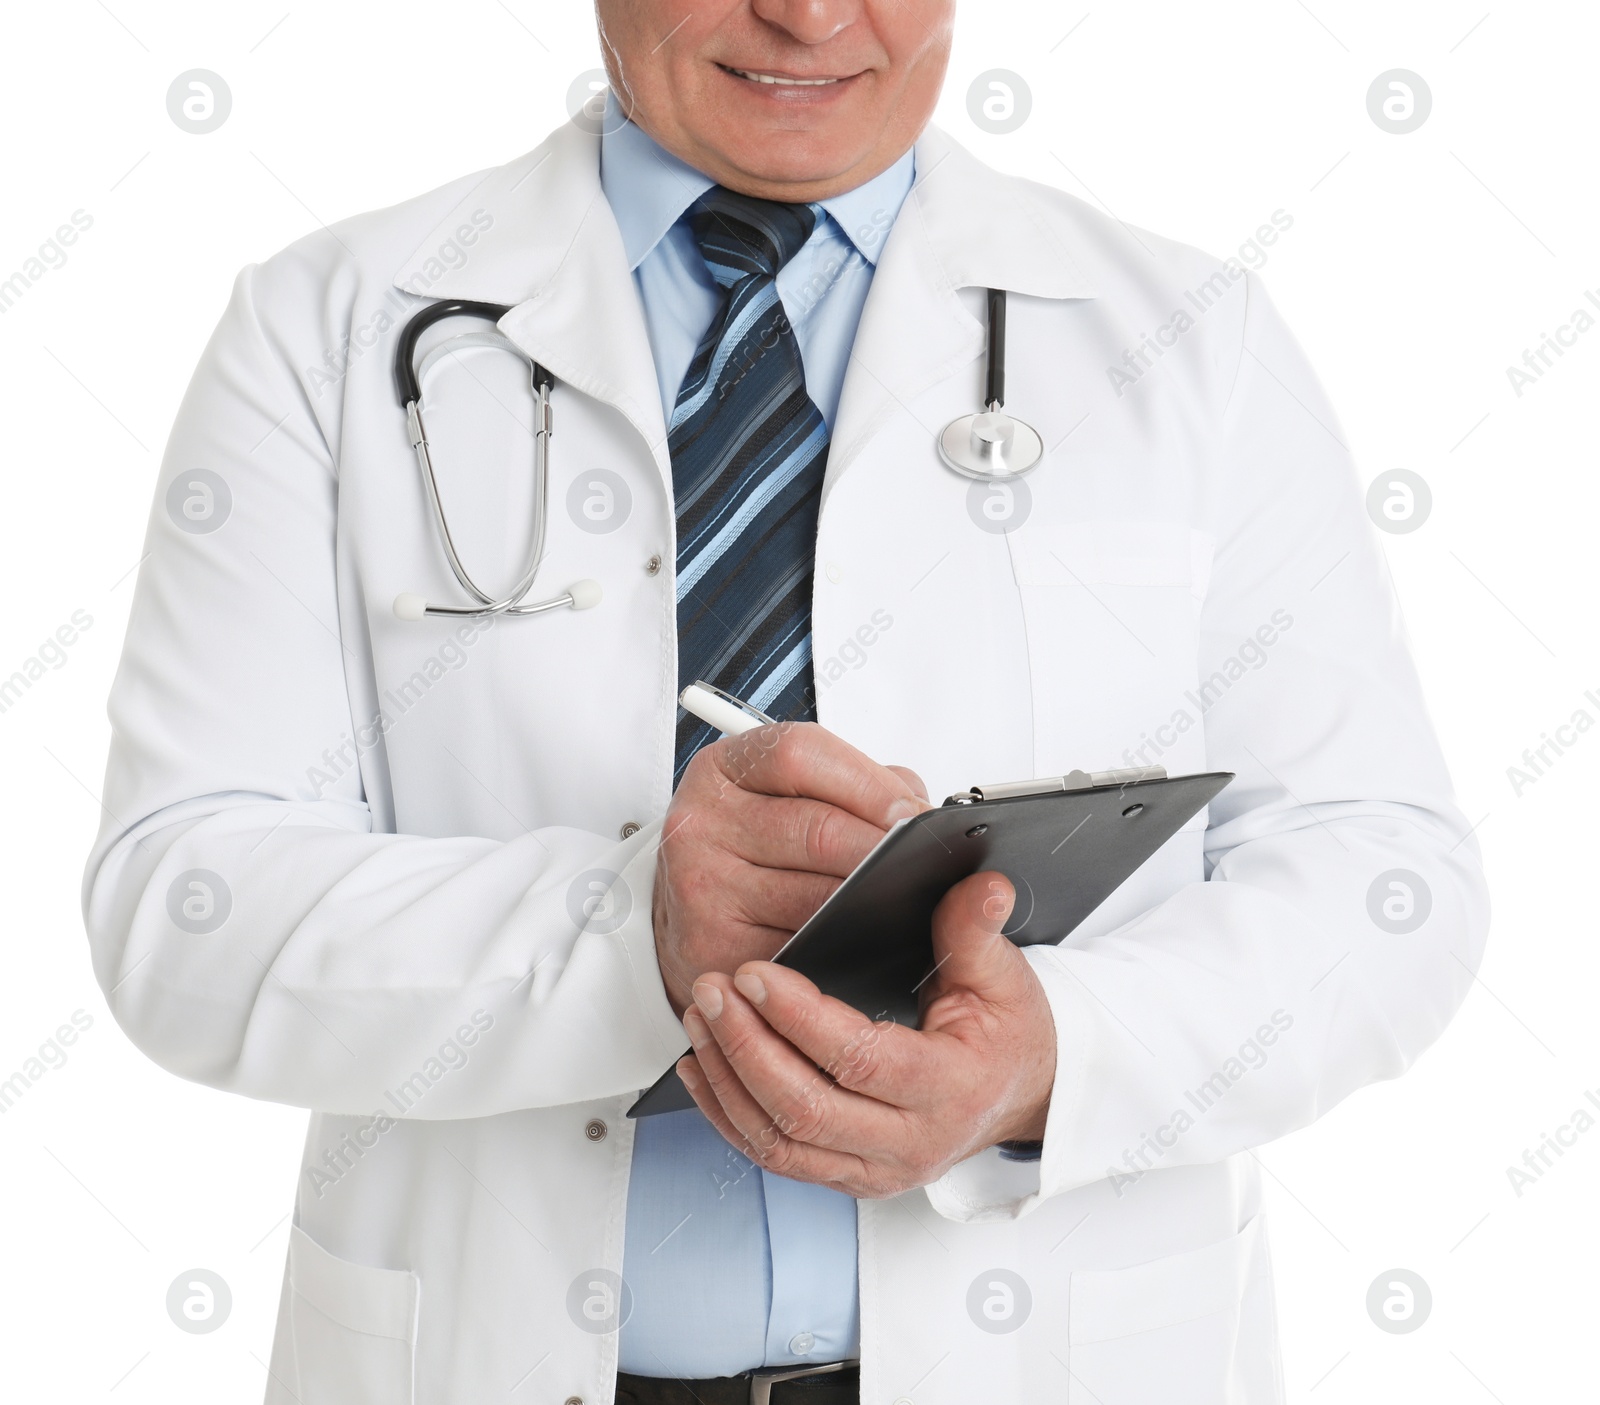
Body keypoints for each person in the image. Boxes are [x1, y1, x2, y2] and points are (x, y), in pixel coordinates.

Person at [82, 2, 1489, 1402]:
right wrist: (629, 930)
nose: (810, 16)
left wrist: (1050, 1058)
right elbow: (178, 904)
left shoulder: (1191, 339)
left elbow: (1386, 881)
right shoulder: (323, 327)